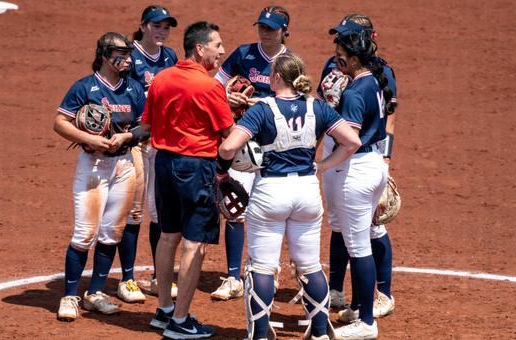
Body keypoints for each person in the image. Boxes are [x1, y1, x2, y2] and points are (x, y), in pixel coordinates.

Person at [218, 53, 361, 340]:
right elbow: (352, 141)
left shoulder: (262, 110)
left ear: (278, 77)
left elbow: (227, 148)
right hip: (307, 191)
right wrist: (322, 165)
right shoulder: (318, 108)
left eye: (272, 73)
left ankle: (259, 334)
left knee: (262, 266)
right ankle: (320, 331)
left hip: (271, 192)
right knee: (309, 264)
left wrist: (226, 171)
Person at [141, 21, 233, 339]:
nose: (222, 51)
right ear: (199, 48)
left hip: (163, 164)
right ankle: (180, 322)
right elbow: (228, 136)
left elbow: (148, 124)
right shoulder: (210, 87)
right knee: (196, 244)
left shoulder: (161, 78)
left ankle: (164, 309)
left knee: (168, 236)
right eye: (217, 45)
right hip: (196, 169)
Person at [53, 32, 147, 321]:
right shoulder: (85, 87)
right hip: (93, 166)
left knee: (111, 233)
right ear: (106, 56)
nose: (128, 59)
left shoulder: (133, 89)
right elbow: (60, 122)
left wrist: (127, 136)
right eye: (122, 54)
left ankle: (94, 293)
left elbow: (147, 126)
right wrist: (89, 139)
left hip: (124, 165)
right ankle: (69, 296)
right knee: (84, 234)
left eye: (129, 54)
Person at [318, 14, 398, 320]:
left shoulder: (380, 74)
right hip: (344, 151)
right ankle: (339, 293)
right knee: (341, 225)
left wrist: (386, 160)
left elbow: (385, 117)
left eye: (344, 39)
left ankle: (379, 296)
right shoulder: (338, 66)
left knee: (368, 232)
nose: (337, 45)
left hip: (358, 154)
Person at [210, 4, 291, 302]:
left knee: (270, 209)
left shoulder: (291, 62)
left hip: (275, 145)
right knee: (234, 208)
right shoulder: (243, 54)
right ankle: (232, 276)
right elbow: (213, 86)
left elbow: (299, 100)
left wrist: (264, 104)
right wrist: (226, 96)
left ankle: (267, 270)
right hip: (242, 141)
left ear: (284, 30)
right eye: (261, 26)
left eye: (271, 27)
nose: (265, 31)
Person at [116, 4, 179, 304]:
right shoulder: (130, 57)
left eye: (166, 26)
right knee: (135, 211)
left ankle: (158, 276)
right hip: (138, 142)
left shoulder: (170, 58)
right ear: (143, 26)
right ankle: (127, 278)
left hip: (162, 142)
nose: (162, 31)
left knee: (159, 212)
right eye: (156, 25)